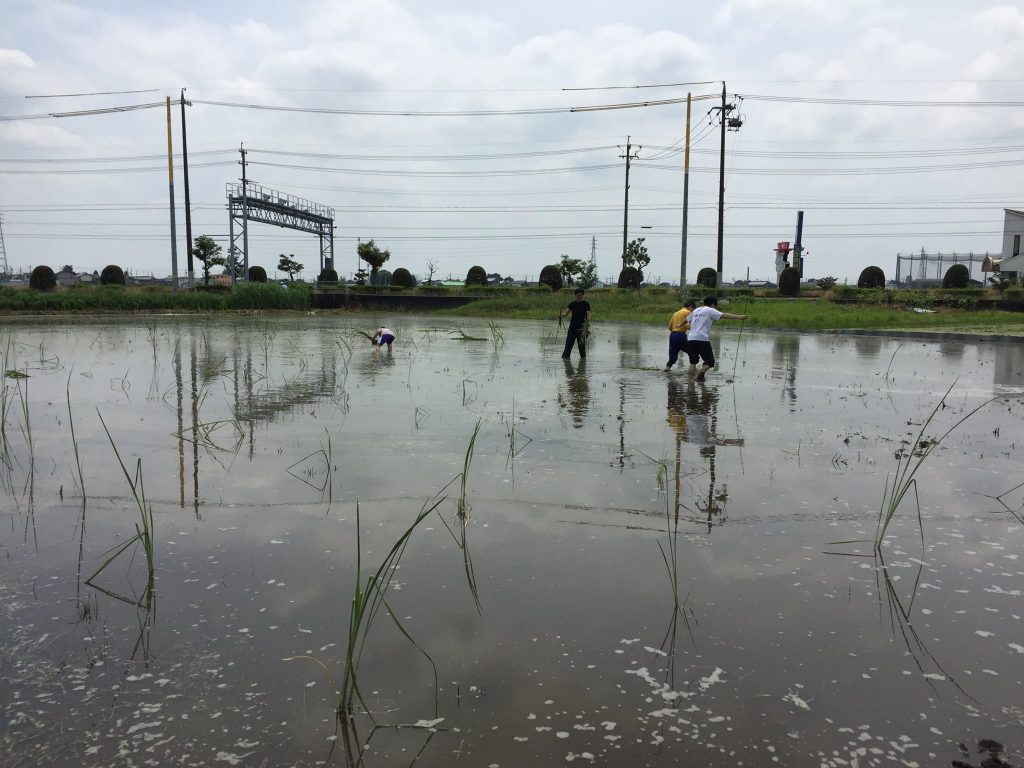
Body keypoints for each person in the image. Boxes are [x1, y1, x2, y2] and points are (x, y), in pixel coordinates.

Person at [685, 296, 748, 381]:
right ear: (713, 304)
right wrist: (739, 317)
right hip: (702, 339)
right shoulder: (710, 310)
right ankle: (701, 373)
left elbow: (686, 320)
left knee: (692, 363)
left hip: (691, 339)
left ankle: (690, 383)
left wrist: (679, 325)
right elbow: (724, 315)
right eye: (715, 306)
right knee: (710, 361)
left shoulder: (696, 310)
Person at [662, 298, 696, 372]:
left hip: (672, 335)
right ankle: (693, 371)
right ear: (690, 307)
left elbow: (669, 327)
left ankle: (666, 369)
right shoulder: (687, 312)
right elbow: (688, 325)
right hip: (680, 335)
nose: (692, 311)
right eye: (693, 309)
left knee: (672, 356)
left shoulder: (676, 313)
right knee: (692, 353)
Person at [560, 288, 591, 359]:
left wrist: (587, 321)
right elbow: (566, 313)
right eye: (578, 295)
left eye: (581, 295)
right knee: (568, 345)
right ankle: (566, 360)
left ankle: (583, 363)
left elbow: (588, 314)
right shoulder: (572, 304)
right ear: (575, 295)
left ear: (583, 295)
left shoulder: (586, 304)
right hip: (572, 328)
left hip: (582, 329)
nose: (579, 297)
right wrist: (562, 314)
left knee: (581, 347)